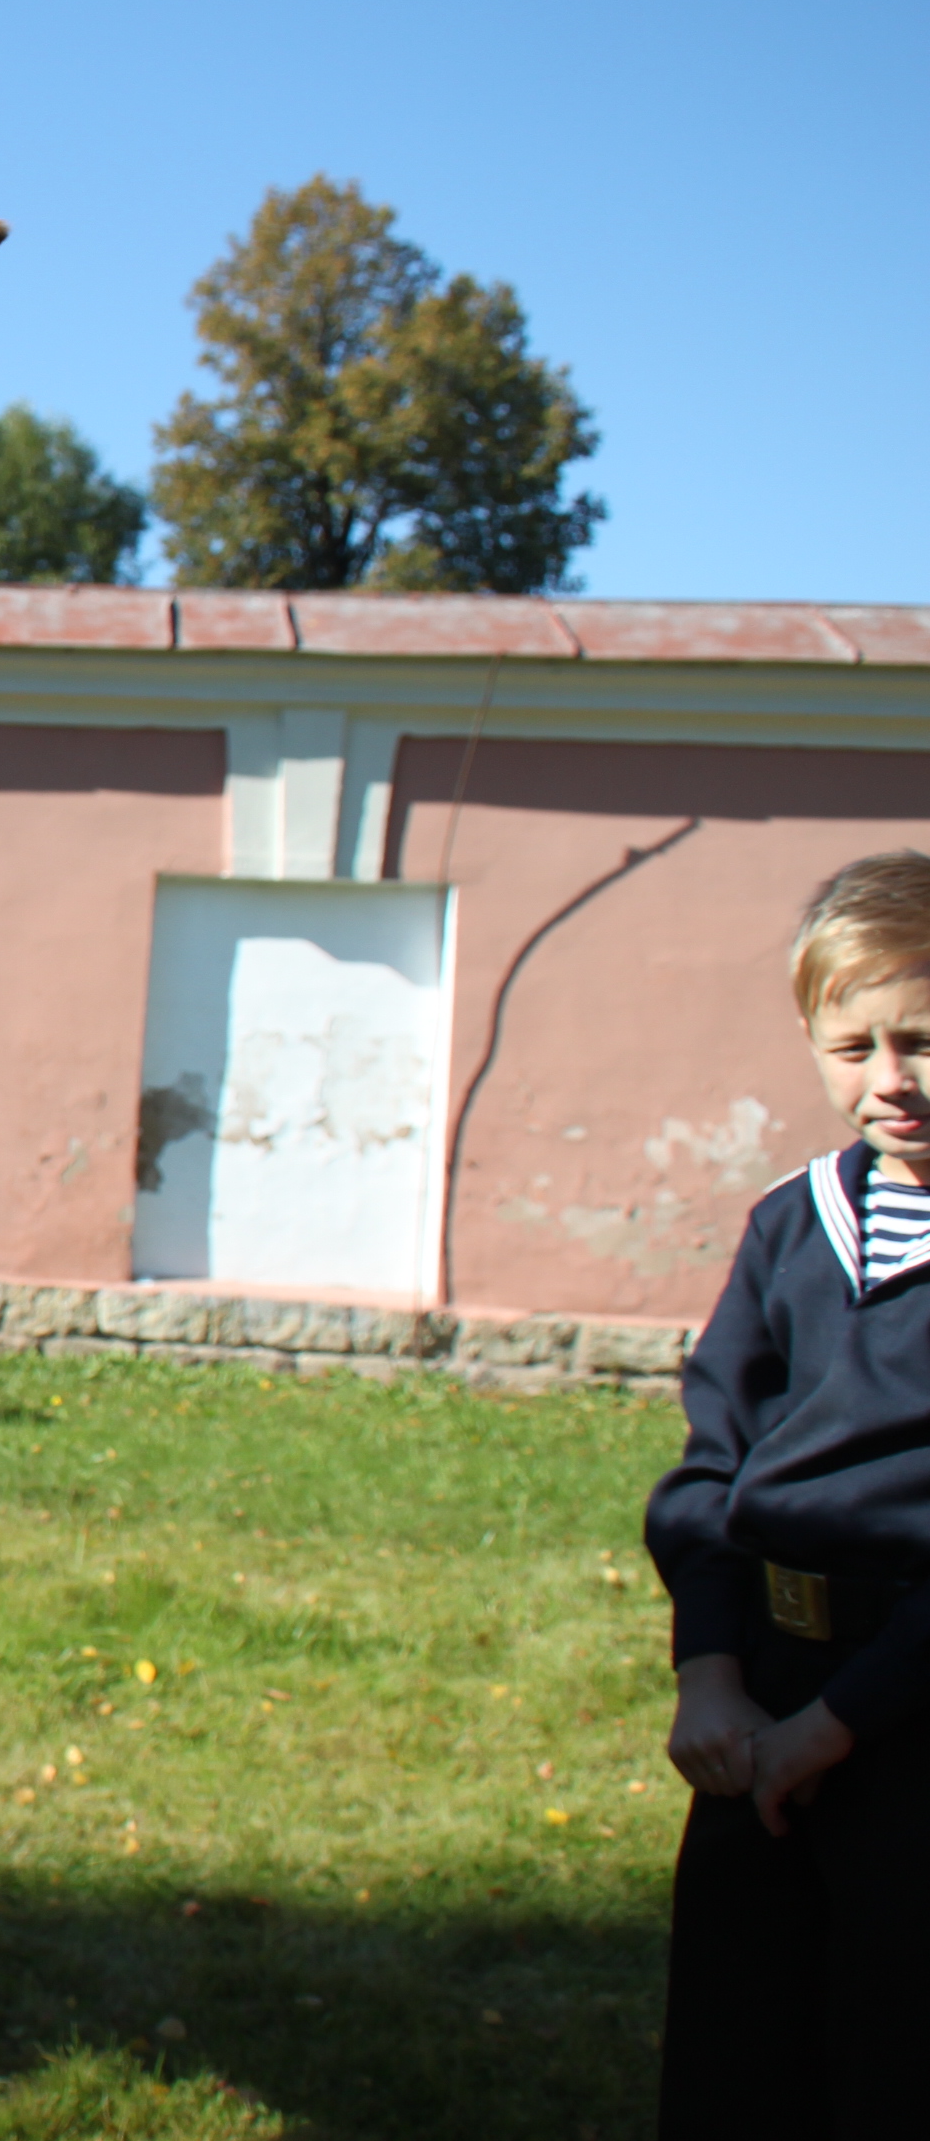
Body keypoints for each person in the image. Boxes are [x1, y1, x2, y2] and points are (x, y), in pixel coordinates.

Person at [648, 850, 930, 2136]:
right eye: (854, 1044)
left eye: (922, 1040)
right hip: (760, 1693)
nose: (892, 1082)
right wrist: (711, 1670)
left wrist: (842, 1724)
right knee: (738, 2038)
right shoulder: (790, 1227)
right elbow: (714, 1469)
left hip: (910, 1711)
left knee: (892, 2044)